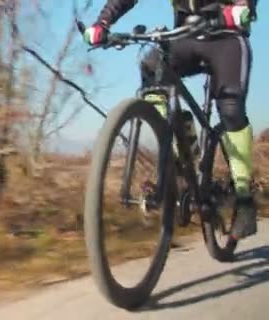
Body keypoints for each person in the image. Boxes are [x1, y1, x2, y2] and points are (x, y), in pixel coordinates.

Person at [83, 0, 257, 240]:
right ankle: (178, 157)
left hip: (226, 35)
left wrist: (242, 7)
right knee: (151, 66)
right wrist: (103, 22)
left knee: (230, 110)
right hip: (185, 35)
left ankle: (244, 197)